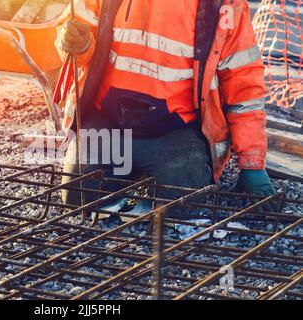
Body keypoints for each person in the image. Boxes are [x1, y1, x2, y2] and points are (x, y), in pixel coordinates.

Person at [55, 0, 276, 209]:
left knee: (185, 203)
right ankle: (128, 174)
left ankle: (146, 172)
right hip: (107, 123)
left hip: (174, 133)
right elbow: (73, 38)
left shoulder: (224, 4)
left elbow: (242, 80)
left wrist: (252, 161)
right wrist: (77, 44)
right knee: (79, 194)